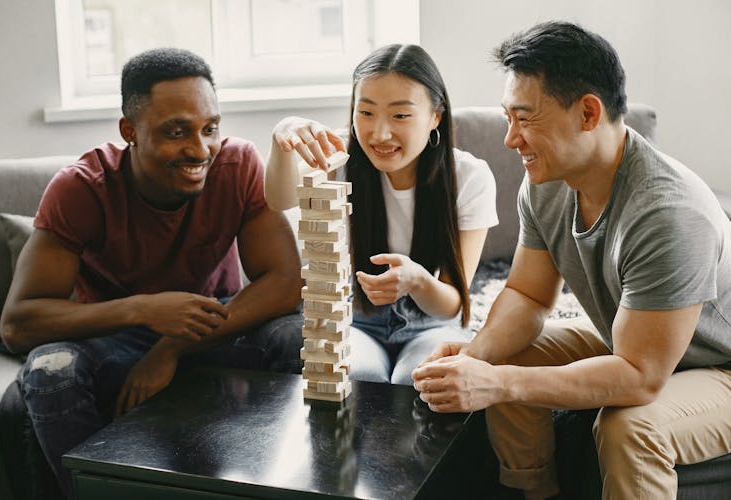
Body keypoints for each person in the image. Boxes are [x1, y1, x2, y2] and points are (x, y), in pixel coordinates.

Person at [412, 21, 731, 500]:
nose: (510, 139)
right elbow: (527, 293)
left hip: (718, 367)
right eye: (507, 118)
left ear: (587, 112)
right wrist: (476, 360)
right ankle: (534, 493)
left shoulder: (669, 212)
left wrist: (499, 383)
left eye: (525, 118)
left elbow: (640, 377)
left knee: (630, 427)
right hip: (634, 342)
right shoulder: (545, 183)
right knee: (507, 351)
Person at [0, 48, 303, 498]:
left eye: (210, 128)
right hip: (114, 336)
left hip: (214, 327)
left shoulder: (237, 166)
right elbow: (17, 323)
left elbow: (285, 282)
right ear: (130, 131)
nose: (200, 149)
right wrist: (144, 310)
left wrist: (171, 347)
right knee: (50, 371)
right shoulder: (82, 187)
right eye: (176, 132)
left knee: (303, 337)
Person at [264, 44, 498, 385]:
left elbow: (452, 303)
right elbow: (279, 198)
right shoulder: (339, 155)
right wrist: (281, 137)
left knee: (417, 381)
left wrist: (416, 281)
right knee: (358, 379)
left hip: (432, 323)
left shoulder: (469, 177)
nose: (380, 133)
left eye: (401, 115)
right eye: (367, 112)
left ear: (436, 115)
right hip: (355, 318)